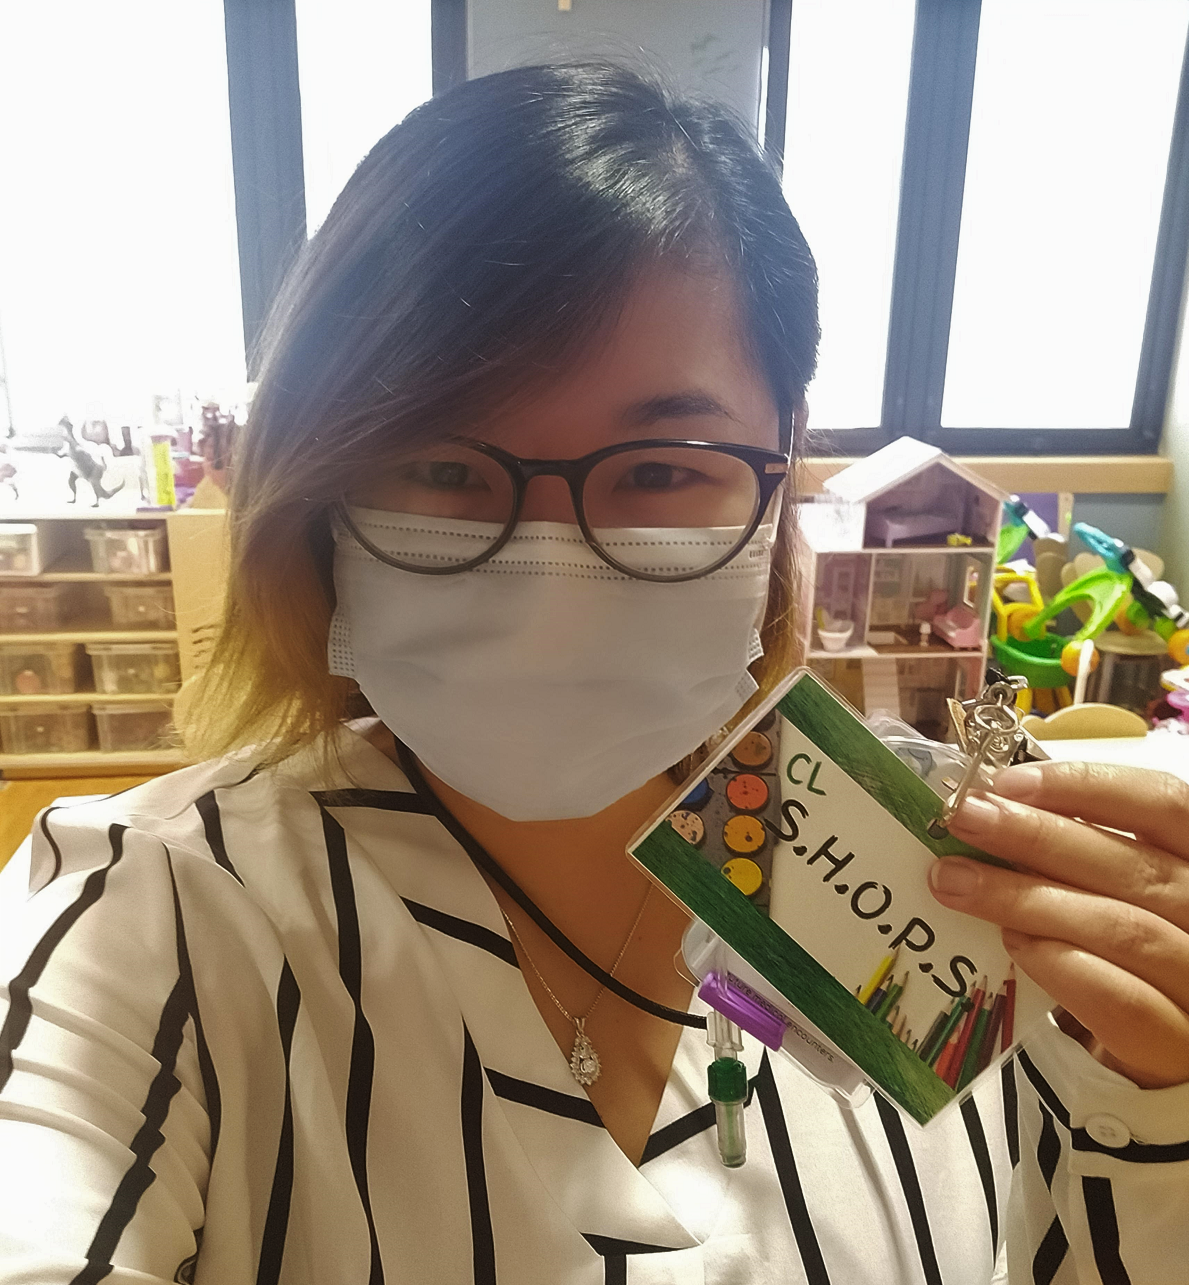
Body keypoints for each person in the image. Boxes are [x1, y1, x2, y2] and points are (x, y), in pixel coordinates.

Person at [1, 63, 1187, 1285]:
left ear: (779, 473)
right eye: (446, 469)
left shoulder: (943, 902)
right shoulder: (149, 918)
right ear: (324, 482)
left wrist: (1151, 1108)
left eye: (662, 469)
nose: (554, 590)